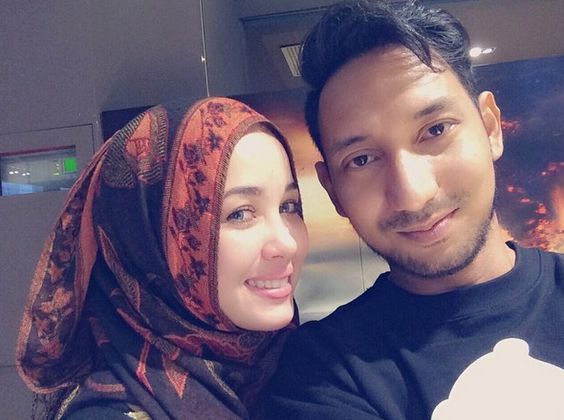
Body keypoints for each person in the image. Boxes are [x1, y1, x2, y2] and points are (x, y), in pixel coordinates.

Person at [264, 1, 564, 419]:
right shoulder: (321, 375)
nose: (412, 195)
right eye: (362, 159)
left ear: (490, 127)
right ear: (333, 190)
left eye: (435, 130)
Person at [15, 97, 308, 419]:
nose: (287, 243)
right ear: (150, 245)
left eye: (289, 206)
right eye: (240, 213)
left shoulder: (300, 368)